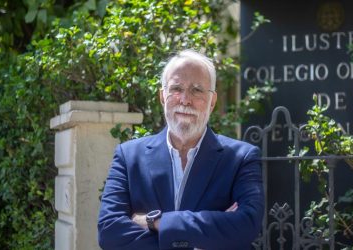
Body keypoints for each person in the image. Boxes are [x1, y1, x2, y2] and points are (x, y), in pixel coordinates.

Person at [97, 49, 264, 250]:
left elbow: (246, 227)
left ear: (212, 101)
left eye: (196, 90)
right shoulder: (128, 156)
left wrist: (156, 222)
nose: (185, 99)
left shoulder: (241, 158)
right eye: (176, 88)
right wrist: (205, 236)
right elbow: (109, 233)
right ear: (162, 97)